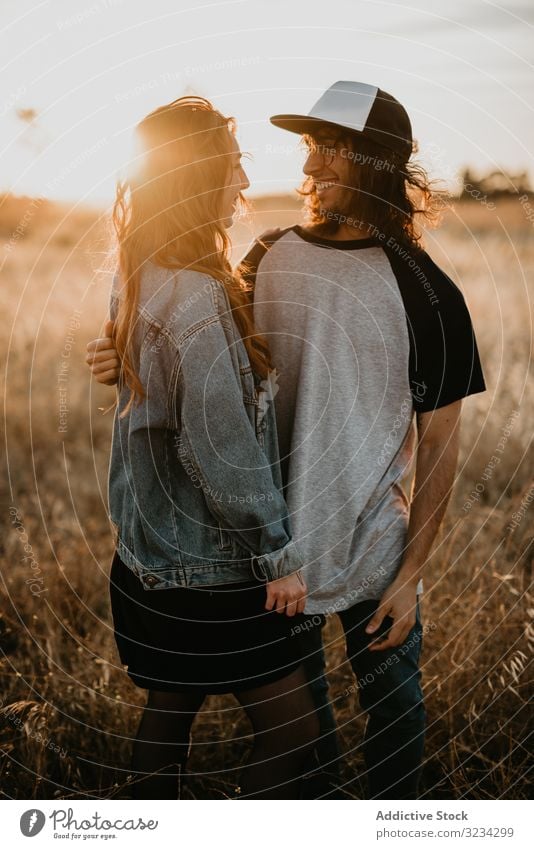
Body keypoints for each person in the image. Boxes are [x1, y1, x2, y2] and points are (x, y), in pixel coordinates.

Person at [87, 82, 486, 799]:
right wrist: (122, 356)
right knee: (310, 746)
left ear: (381, 162)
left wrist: (410, 576)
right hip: (273, 564)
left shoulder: (429, 293)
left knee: (394, 718)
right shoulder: (264, 257)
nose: (312, 166)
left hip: (371, 554)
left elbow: (443, 448)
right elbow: (199, 357)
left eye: (334, 148)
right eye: (311, 146)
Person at [88, 95, 319, 801]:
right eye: (234, 165)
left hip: (148, 562)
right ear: (197, 177)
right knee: (295, 734)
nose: (244, 183)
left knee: (170, 712)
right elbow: (222, 452)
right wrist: (278, 554)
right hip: (211, 574)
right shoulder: (193, 295)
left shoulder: (141, 274)